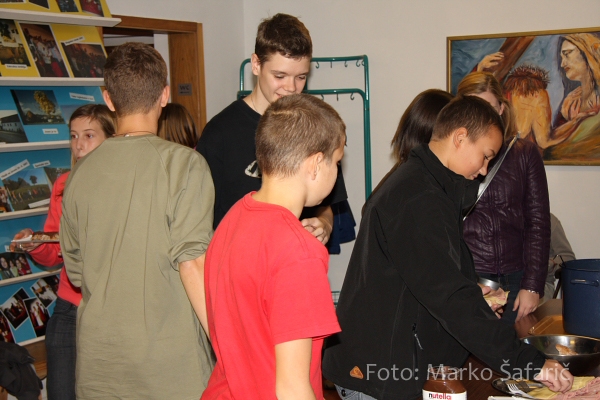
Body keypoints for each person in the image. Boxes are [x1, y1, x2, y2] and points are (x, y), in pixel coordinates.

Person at [322, 95, 573, 400]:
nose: (484, 170)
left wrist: (473, 294)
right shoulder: (419, 198)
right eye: (485, 156)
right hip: (380, 374)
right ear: (460, 138)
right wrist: (530, 364)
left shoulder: (429, 186)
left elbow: (423, 278)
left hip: (392, 364)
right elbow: (450, 298)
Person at [60, 42, 215, 399]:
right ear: (164, 95)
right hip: (170, 368)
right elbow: (193, 262)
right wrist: (228, 346)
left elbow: (77, 273)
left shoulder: (79, 174)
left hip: (100, 366)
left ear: (108, 99)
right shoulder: (185, 165)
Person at [202, 93, 342, 400]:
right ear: (315, 165)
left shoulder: (234, 217)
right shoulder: (299, 252)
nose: (337, 171)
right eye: (336, 162)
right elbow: (292, 389)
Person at [197, 13, 347, 246]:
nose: (291, 87)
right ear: (256, 64)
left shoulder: (314, 125)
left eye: (300, 77)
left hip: (297, 257)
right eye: (280, 76)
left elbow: (327, 204)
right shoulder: (219, 133)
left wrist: (325, 224)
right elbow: (202, 221)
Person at [9, 103, 115, 400]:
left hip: (110, 307)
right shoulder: (63, 184)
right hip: (69, 305)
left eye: (89, 135)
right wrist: (36, 243)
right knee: (61, 391)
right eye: (73, 135)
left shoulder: (121, 187)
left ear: (111, 139)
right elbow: (54, 252)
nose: (79, 144)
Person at [459, 71, 551, 324]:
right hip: (469, 276)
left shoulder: (524, 153)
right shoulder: (453, 155)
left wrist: (533, 284)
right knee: (470, 348)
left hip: (516, 276)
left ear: (501, 108)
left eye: (489, 108)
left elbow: (538, 222)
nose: (482, 117)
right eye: (474, 107)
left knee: (514, 346)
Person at [543, 213, 576, 302]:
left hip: (541, 284)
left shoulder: (548, 220)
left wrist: (546, 265)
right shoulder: (506, 219)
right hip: (508, 284)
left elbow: (568, 258)